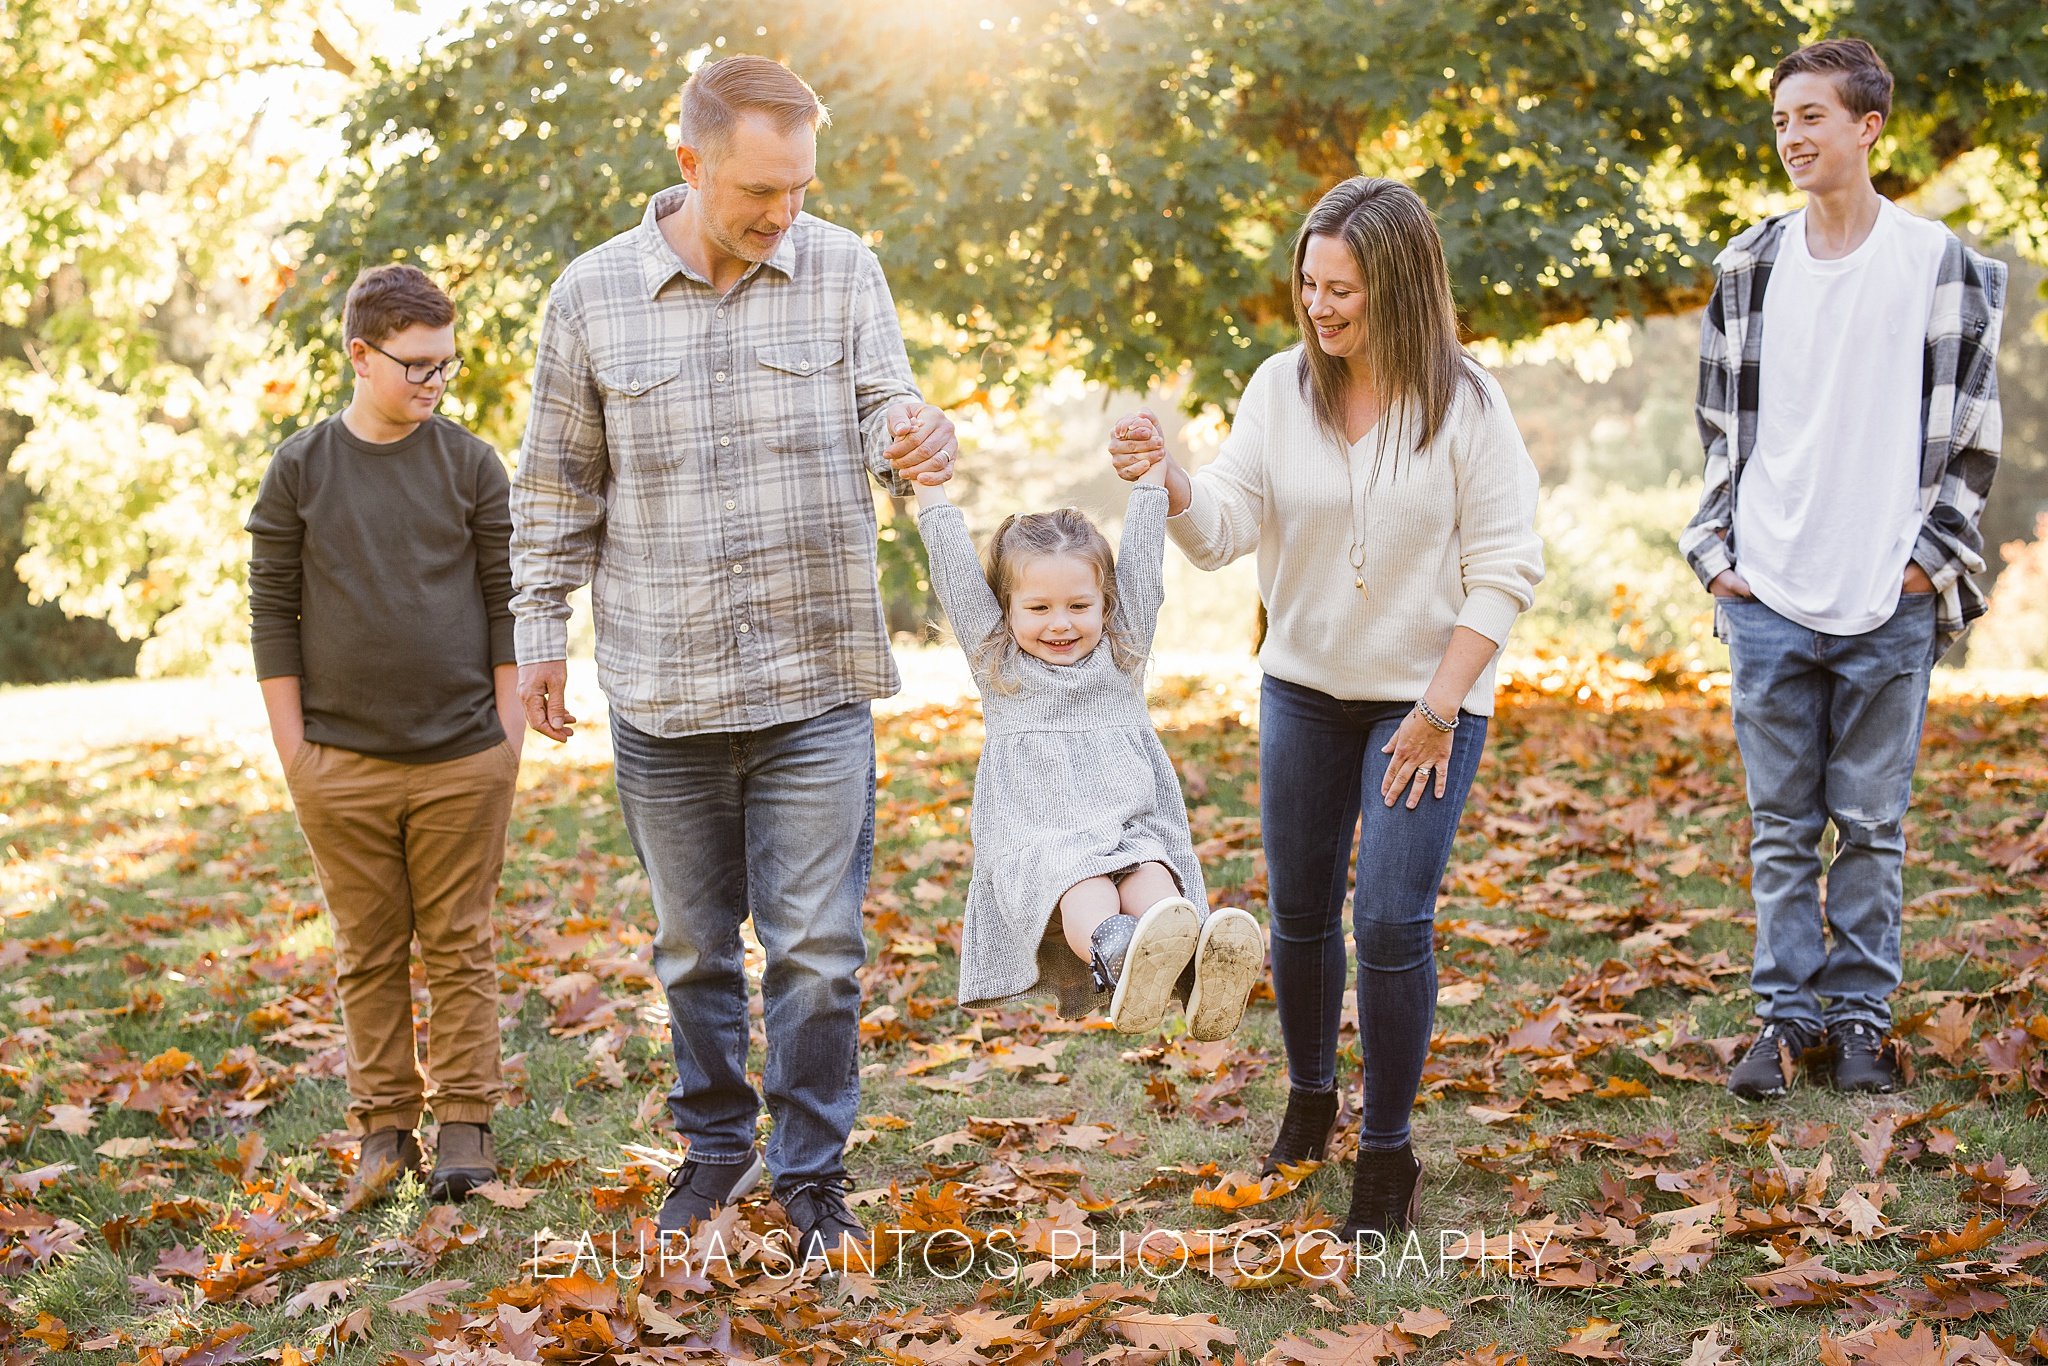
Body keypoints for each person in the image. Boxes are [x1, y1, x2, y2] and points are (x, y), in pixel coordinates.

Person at [508, 55, 954, 1265]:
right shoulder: (589, 298)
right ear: (691, 162)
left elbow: (886, 411)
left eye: (800, 187)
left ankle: (811, 1171)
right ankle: (713, 1148)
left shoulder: (844, 269)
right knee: (694, 948)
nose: (783, 213)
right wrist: (537, 635)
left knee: (816, 949)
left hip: (814, 677)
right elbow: (555, 487)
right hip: (665, 687)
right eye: (761, 189)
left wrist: (915, 432)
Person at [1109, 177, 1543, 1239]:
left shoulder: (1468, 406)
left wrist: (1438, 708)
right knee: (1300, 912)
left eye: (1340, 287)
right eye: (1307, 283)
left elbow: (1504, 571)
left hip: (1425, 703)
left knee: (1390, 918)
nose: (1318, 305)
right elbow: (1219, 530)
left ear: (1395, 285)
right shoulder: (1277, 390)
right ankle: (1308, 1103)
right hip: (1303, 691)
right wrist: (1167, 477)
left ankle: (1386, 1153)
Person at [1682, 39, 2007, 1102]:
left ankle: (1860, 1023)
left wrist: (1924, 563)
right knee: (1779, 831)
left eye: (1810, 117)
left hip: (1886, 600)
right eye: (1779, 121)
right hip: (1767, 593)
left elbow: (1968, 435)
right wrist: (1718, 557)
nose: (1790, 138)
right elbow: (1719, 433)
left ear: (1867, 126)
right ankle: (1782, 1024)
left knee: (1868, 828)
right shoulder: (1748, 266)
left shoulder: (1934, 262)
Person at [247, 263, 518, 1205]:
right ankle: (383, 1132)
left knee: (459, 942)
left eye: (447, 364)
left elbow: (503, 603)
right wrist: (296, 754)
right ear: (360, 356)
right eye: (417, 366)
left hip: (463, 755)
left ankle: (465, 1130)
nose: (436, 383)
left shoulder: (472, 463)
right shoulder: (302, 468)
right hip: (340, 762)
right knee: (367, 948)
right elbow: (272, 610)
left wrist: (507, 733)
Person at [910, 452, 1265, 1039]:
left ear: (1106, 605)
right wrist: (929, 492)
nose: (1061, 624)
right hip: (1046, 842)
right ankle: (1119, 956)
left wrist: (1152, 484)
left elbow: (1145, 568)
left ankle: (1196, 971)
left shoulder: (1120, 655)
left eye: (1079, 606)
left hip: (1128, 826)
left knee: (1153, 879)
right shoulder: (1000, 666)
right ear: (1006, 609)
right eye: (1039, 608)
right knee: (1087, 887)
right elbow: (953, 576)